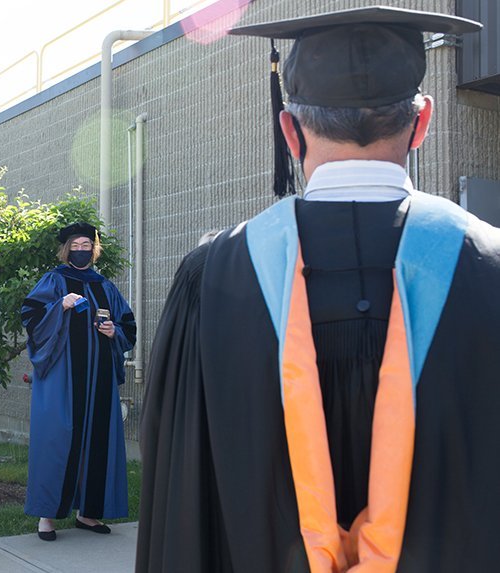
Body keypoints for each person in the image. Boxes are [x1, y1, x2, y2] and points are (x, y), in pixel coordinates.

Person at [137, 6, 494, 573]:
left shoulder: (215, 276)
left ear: (289, 129)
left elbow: (183, 498)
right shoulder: (488, 267)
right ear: (422, 123)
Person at [21, 222, 136, 541]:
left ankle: (88, 514)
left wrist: (115, 332)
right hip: (63, 377)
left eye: (88, 245)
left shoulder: (105, 286)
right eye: (77, 245)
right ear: (67, 248)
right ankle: (47, 517)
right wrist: (60, 305)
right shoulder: (54, 280)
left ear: (94, 249)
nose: (82, 250)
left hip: (98, 378)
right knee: (59, 439)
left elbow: (128, 324)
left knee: (97, 440)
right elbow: (30, 318)